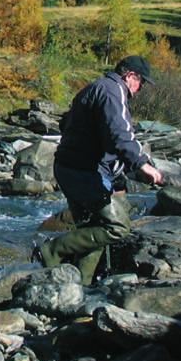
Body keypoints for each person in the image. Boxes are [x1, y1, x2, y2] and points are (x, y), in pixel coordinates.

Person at [37, 55, 164, 285]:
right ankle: (51, 251)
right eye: (141, 82)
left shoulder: (95, 88)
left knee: (93, 230)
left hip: (71, 168)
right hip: (82, 172)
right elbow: (121, 134)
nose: (142, 87)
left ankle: (78, 286)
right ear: (130, 76)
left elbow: (67, 123)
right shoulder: (112, 92)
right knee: (117, 227)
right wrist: (143, 164)